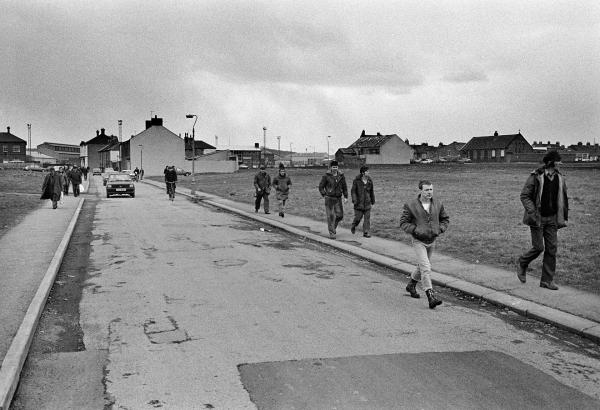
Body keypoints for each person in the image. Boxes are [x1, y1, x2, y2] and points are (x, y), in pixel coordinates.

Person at [517, 150, 568, 290]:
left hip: (552, 218)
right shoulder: (536, 176)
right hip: (538, 218)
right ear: (551, 162)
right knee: (539, 247)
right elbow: (524, 196)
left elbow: (562, 197)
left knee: (552, 249)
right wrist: (532, 212)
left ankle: (547, 281)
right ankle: (522, 262)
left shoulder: (560, 177)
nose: (561, 164)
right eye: (558, 161)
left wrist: (563, 215)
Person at [400, 180, 449, 309]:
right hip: (418, 241)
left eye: (431, 190)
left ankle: (411, 285)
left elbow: (445, 219)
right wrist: (415, 230)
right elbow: (403, 223)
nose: (429, 192)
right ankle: (430, 296)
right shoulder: (411, 205)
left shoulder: (438, 204)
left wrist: (440, 229)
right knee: (426, 267)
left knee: (422, 266)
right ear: (421, 190)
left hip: (432, 240)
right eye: (427, 190)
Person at [318, 160, 348, 239]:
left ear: (338, 167)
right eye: (333, 167)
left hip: (338, 198)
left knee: (340, 215)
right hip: (329, 199)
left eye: (336, 167)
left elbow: (344, 187)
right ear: (331, 167)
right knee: (330, 216)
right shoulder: (326, 176)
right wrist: (324, 194)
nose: (335, 168)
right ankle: (332, 232)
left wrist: (345, 196)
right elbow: (321, 187)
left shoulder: (341, 176)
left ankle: (333, 227)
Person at [350, 165, 375, 238]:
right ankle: (354, 225)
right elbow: (353, 191)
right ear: (363, 173)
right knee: (358, 218)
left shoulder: (370, 181)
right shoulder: (356, 181)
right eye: (367, 171)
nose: (368, 172)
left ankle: (366, 232)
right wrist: (354, 200)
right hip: (358, 203)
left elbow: (371, 191)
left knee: (367, 219)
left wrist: (372, 200)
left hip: (367, 203)